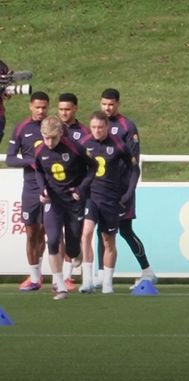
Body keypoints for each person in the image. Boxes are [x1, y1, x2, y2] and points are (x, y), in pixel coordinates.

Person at [99, 88, 157, 289]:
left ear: (118, 104)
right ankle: (101, 275)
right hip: (102, 189)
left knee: (124, 230)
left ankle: (147, 271)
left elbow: (134, 163)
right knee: (101, 230)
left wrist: (129, 191)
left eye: (111, 104)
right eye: (105, 104)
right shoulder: (97, 126)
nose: (108, 107)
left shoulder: (126, 126)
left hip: (122, 189)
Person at [33, 116, 96, 300]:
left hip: (74, 201)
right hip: (53, 201)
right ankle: (60, 285)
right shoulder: (39, 150)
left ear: (61, 133)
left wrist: (81, 189)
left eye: (53, 138)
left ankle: (75, 254)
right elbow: (38, 170)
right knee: (52, 239)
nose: (49, 142)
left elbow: (93, 166)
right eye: (46, 138)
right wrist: (42, 189)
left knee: (72, 248)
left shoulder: (75, 147)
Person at [78, 111, 140, 294]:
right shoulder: (84, 144)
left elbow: (134, 169)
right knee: (86, 233)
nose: (96, 131)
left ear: (107, 127)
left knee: (108, 240)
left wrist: (129, 193)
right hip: (90, 197)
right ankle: (87, 280)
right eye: (94, 127)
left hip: (110, 199)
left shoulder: (118, 145)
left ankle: (107, 282)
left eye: (100, 127)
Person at [5, 91, 49, 291]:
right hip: (31, 187)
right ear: (30, 106)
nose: (41, 111)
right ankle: (34, 277)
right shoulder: (22, 128)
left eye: (44, 107)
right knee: (31, 231)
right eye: (37, 107)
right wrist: (31, 161)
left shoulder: (53, 127)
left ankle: (39, 275)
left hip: (51, 187)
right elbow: (10, 158)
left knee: (46, 231)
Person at [57, 92, 89, 291]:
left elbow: (89, 163)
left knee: (73, 236)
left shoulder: (84, 132)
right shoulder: (52, 129)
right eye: (60, 109)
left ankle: (75, 264)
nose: (64, 113)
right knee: (53, 235)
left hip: (76, 192)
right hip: (55, 191)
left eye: (67, 109)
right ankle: (61, 278)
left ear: (76, 108)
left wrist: (81, 187)